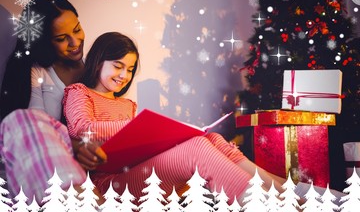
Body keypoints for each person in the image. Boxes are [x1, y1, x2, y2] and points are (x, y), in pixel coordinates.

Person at [63, 31, 322, 206]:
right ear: (98, 62)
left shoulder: (129, 105)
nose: (124, 75)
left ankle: (281, 186)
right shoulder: (78, 92)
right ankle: (260, 203)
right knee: (196, 148)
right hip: (110, 183)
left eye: (130, 70)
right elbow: (82, 128)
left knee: (210, 137)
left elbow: (139, 148)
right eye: (118, 66)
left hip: (138, 171)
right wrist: (140, 128)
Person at [0, 0, 105, 204]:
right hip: (43, 175)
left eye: (77, 29)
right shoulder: (36, 73)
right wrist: (77, 146)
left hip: (98, 174)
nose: (75, 43)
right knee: (23, 120)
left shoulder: (99, 72)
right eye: (61, 38)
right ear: (43, 41)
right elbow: (32, 123)